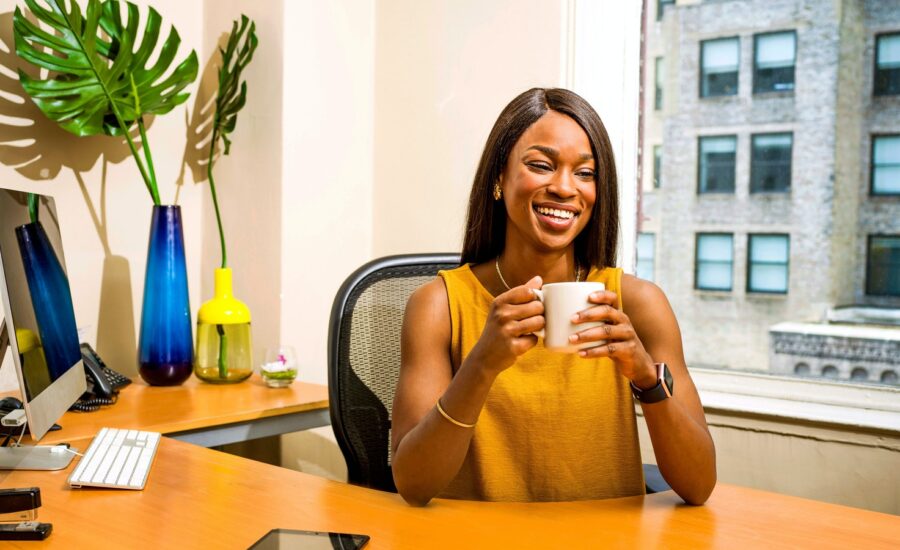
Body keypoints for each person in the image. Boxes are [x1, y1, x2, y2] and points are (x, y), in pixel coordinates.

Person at [391, 88, 716, 506]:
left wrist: (646, 378)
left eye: (585, 173)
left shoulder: (638, 304)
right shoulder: (438, 306)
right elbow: (414, 485)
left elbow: (699, 485)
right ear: (498, 178)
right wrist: (481, 365)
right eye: (541, 165)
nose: (565, 188)